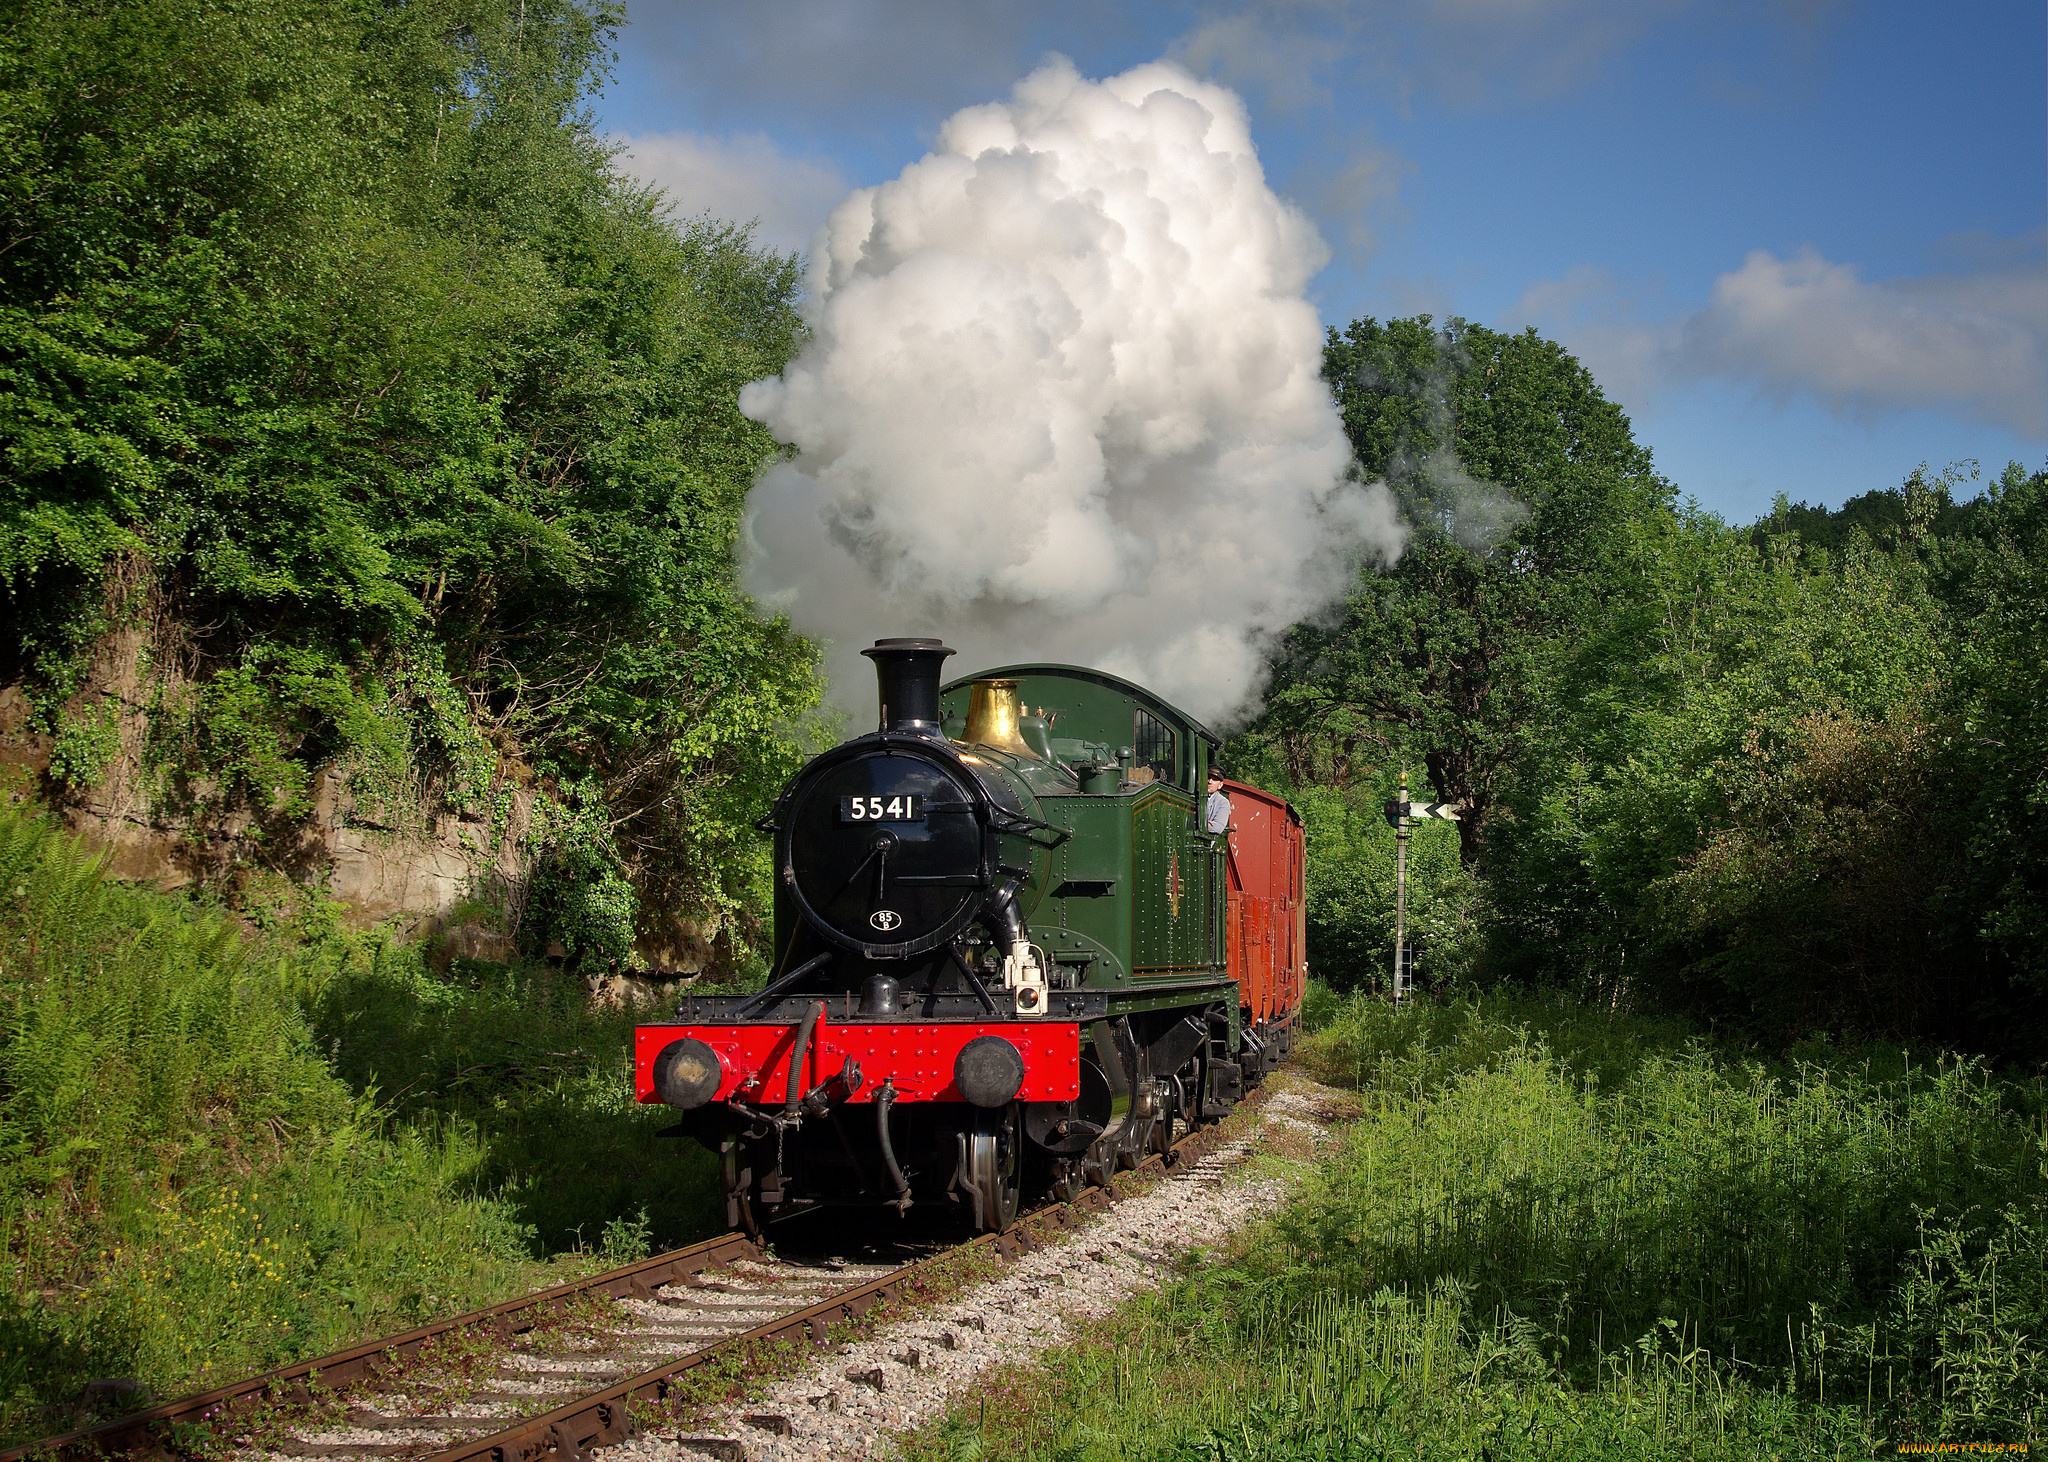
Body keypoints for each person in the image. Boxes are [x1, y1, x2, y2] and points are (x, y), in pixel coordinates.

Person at [1205, 767, 1232, 834]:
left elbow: (1217, 827)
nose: (1210, 781)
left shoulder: (1223, 802)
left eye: (1214, 779)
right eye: (1208, 778)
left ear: (1220, 785)